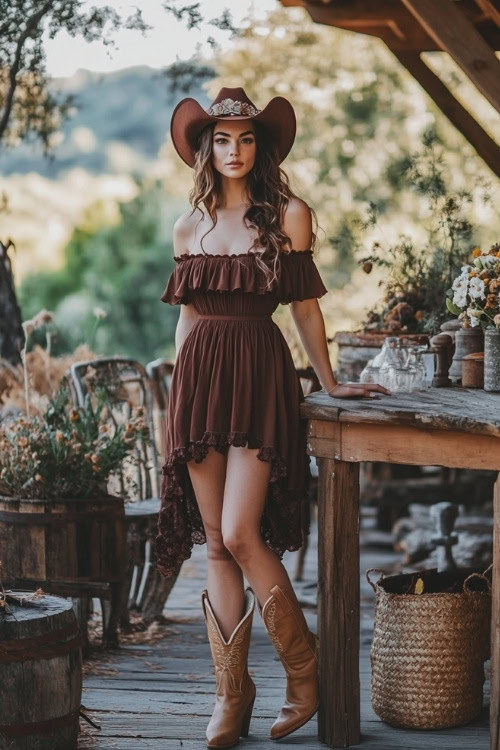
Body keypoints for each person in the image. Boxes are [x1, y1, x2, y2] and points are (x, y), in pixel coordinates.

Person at [155, 86, 390, 748]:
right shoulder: (188, 225)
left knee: (240, 530)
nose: (233, 149)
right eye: (221, 138)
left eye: (246, 137)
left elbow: (306, 308)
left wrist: (331, 380)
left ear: (261, 147)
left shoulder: (288, 215)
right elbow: (188, 317)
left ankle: (304, 674)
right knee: (213, 539)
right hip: (199, 381)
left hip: (260, 376)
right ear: (206, 148)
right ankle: (232, 699)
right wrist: (178, 397)